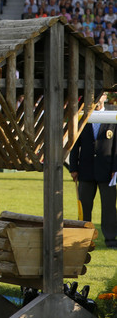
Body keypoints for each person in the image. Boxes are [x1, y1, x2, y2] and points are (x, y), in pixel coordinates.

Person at [69, 93, 117, 248]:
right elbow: (75, 145)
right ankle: (84, 239)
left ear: (105, 97)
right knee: (85, 206)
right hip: (85, 171)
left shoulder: (112, 118)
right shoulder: (83, 118)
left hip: (107, 171)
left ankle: (110, 239)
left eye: (101, 95)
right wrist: (73, 168)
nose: (97, 98)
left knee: (109, 207)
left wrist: (115, 169)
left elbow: (116, 146)